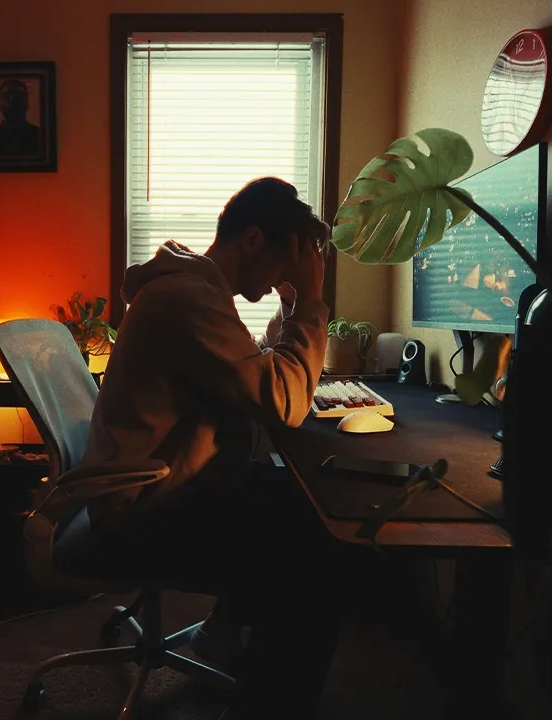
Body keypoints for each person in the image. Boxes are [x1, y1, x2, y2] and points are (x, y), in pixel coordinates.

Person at [80, 177, 342, 718]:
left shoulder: (194, 289)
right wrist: (312, 303)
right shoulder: (188, 298)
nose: (283, 280)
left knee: (301, 500)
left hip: (165, 482)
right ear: (253, 239)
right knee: (318, 558)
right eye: (285, 262)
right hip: (144, 509)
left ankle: (220, 637)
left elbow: (252, 372)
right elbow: (283, 401)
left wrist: (292, 306)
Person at [0, 79, 41, 157]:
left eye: (18, 95)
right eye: (7, 95)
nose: (13, 98)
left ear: (27, 104)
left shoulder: (41, 138)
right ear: (0, 106)